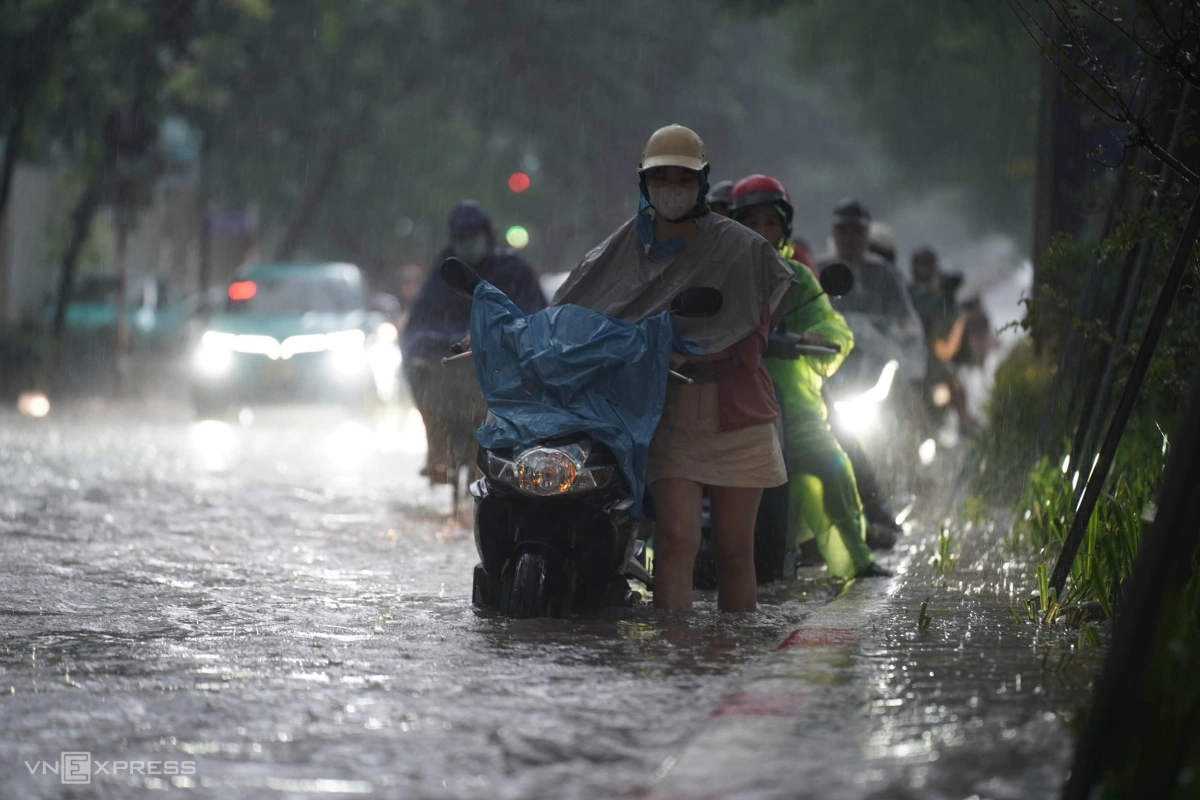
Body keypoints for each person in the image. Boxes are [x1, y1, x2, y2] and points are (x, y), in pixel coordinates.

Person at [553, 124, 798, 613]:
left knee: (734, 553)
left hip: (739, 411)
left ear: (702, 183)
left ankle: (734, 664)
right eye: (660, 178)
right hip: (668, 411)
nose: (671, 189)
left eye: (682, 178)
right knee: (674, 544)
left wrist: (695, 350)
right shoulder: (620, 249)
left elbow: (762, 314)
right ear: (644, 184)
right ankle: (674, 662)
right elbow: (571, 312)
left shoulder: (739, 248)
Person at [729, 175, 889, 578]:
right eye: (752, 222)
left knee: (835, 468)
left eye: (771, 222)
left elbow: (834, 328)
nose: (762, 232)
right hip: (729, 400)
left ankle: (857, 561)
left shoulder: (798, 278)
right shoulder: (720, 272)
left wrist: (821, 337)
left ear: (785, 227)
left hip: (796, 408)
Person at [402, 200, 546, 482]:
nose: (468, 243)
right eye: (461, 238)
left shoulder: (512, 270)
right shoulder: (445, 270)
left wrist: (502, 336)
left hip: (498, 363)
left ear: (487, 235)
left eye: (473, 236)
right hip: (450, 361)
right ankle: (439, 447)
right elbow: (420, 322)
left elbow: (533, 318)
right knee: (417, 368)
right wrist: (431, 343)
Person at [817, 199, 923, 540]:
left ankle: (901, 484)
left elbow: (907, 319)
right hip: (828, 379)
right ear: (834, 233)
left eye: (856, 231)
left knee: (902, 419)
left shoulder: (885, 275)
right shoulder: (817, 270)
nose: (849, 237)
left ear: (866, 234)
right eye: (843, 230)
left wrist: (907, 332)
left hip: (876, 379)